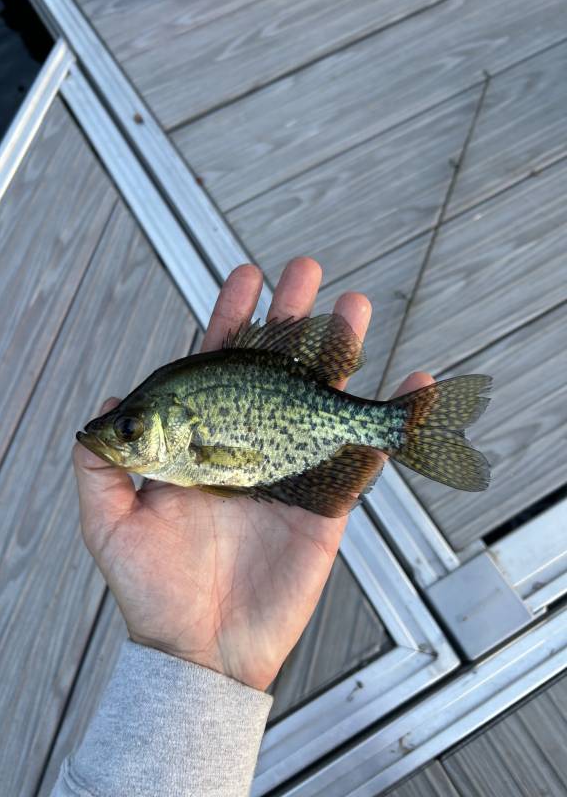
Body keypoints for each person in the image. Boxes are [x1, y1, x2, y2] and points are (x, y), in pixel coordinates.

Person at [53, 257, 432, 797]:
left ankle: (398, 426)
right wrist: (190, 657)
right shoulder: (178, 436)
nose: (121, 438)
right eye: (128, 428)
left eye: (131, 428)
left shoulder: (185, 434)